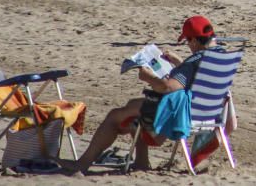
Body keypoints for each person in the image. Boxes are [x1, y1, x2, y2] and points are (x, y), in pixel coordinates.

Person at [59, 16, 224, 175]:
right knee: (133, 109)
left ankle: (82, 164)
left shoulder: (196, 59)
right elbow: (197, 80)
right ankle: (141, 162)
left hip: (183, 113)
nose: (189, 45)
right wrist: (178, 62)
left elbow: (168, 88)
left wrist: (148, 77)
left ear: (195, 40)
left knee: (115, 115)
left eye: (188, 41)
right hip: (208, 112)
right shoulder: (221, 56)